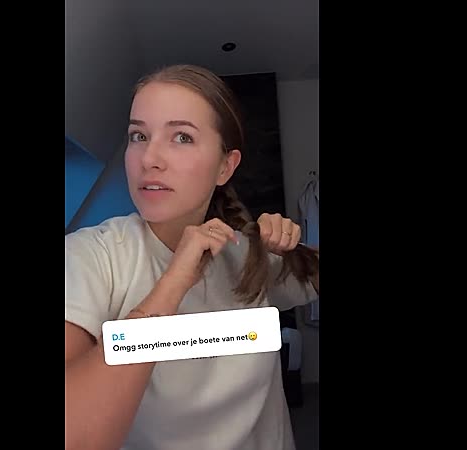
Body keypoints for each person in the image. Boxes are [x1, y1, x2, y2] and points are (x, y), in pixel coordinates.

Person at [65, 64, 320, 450]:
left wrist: (293, 248)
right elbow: (76, 435)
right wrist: (172, 284)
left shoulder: (246, 255)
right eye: (139, 136)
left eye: (181, 137)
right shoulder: (89, 257)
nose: (149, 158)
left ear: (225, 166)